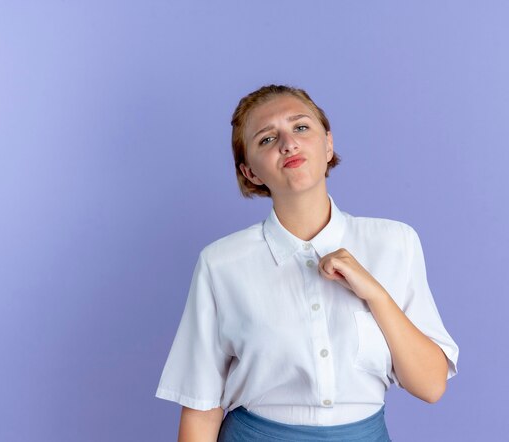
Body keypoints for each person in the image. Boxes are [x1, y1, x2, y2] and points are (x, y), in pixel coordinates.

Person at [155, 84, 460, 441]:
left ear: (328, 145)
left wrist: (376, 295)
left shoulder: (395, 243)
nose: (288, 143)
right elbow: (201, 407)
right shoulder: (221, 264)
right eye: (266, 139)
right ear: (250, 172)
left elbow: (430, 386)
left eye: (300, 127)